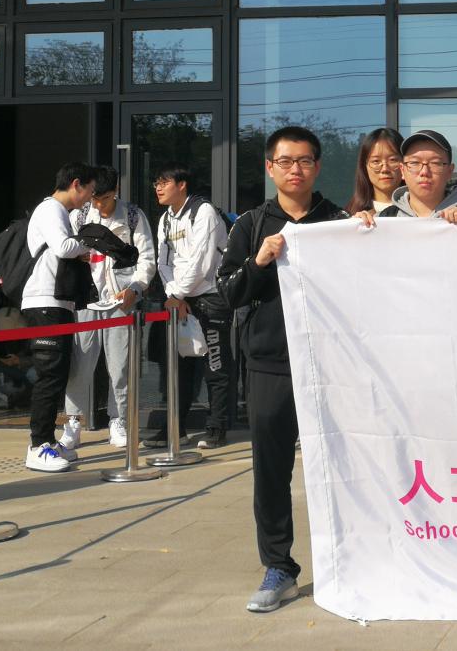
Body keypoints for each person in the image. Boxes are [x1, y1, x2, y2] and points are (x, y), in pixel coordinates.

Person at [217, 126, 351, 613]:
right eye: (286, 161)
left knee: (346, 465)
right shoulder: (251, 224)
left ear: (318, 167)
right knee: (271, 471)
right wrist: (259, 262)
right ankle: (279, 567)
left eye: (305, 160)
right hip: (270, 364)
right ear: (270, 168)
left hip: (333, 364)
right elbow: (228, 293)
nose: (296, 170)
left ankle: (353, 559)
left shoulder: (337, 221)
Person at [59, 166, 155, 450]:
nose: (99, 204)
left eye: (105, 198)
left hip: (120, 300)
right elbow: (63, 252)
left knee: (120, 365)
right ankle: (73, 421)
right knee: (80, 363)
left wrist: (136, 288)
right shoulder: (78, 216)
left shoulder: (133, 216)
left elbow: (147, 259)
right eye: (95, 198)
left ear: (116, 191)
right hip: (86, 299)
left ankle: (119, 420)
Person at [150, 163, 233, 450]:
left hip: (210, 297)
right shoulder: (165, 219)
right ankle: (176, 428)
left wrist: (178, 294)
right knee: (178, 368)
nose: (158, 188)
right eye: (156, 183)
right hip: (180, 300)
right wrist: (175, 295)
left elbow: (203, 262)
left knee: (215, 366)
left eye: (164, 182)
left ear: (182, 184)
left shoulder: (204, 211)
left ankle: (217, 428)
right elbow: (163, 263)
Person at [22, 162, 97, 472]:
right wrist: (88, 244)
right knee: (50, 374)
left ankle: (47, 442)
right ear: (76, 184)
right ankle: (37, 446)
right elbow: (63, 247)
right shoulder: (50, 209)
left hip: (57, 302)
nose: (90, 198)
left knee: (57, 373)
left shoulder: (58, 212)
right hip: (44, 302)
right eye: (89, 191)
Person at [379, 130, 457, 223]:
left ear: (450, 171)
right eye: (415, 163)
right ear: (402, 171)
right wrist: (369, 227)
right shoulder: (382, 220)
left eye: (435, 163)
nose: (424, 172)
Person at [345, 127, 405, 215]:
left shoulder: (417, 211)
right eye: (376, 161)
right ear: (364, 166)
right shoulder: (351, 214)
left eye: (392, 160)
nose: (385, 169)